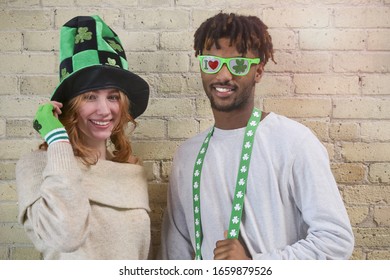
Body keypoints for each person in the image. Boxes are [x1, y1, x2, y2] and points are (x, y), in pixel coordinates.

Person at [159, 12, 354, 260]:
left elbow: (335, 241)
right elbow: (176, 250)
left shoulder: (294, 142)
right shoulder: (187, 155)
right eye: (211, 63)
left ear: (258, 71)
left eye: (238, 64)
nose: (223, 76)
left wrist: (254, 265)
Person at [16, 15, 151, 260]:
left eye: (112, 97)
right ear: (70, 106)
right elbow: (65, 237)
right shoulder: (36, 166)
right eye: (89, 97)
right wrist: (58, 139)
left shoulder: (132, 172)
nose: (104, 110)